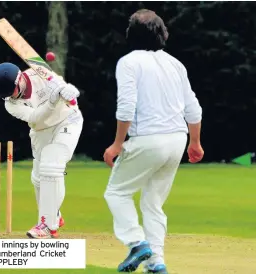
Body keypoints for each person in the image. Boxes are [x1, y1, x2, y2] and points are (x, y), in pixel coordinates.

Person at [102, 9, 204, 274]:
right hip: (177, 140)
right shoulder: (174, 63)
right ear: (162, 33)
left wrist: (116, 144)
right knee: (153, 203)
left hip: (149, 138)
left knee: (116, 192)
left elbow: (126, 107)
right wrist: (195, 142)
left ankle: (136, 243)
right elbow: (193, 108)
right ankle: (156, 262)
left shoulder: (128, 62)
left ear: (131, 35)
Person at [0, 63, 83, 239]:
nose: (11, 95)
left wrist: (67, 90)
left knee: (51, 166)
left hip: (67, 120)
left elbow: (60, 85)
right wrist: (52, 101)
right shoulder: (10, 104)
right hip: (40, 129)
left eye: (13, 90)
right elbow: (35, 118)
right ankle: (53, 215)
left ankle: (48, 225)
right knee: (38, 177)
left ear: (19, 79)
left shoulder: (38, 72)